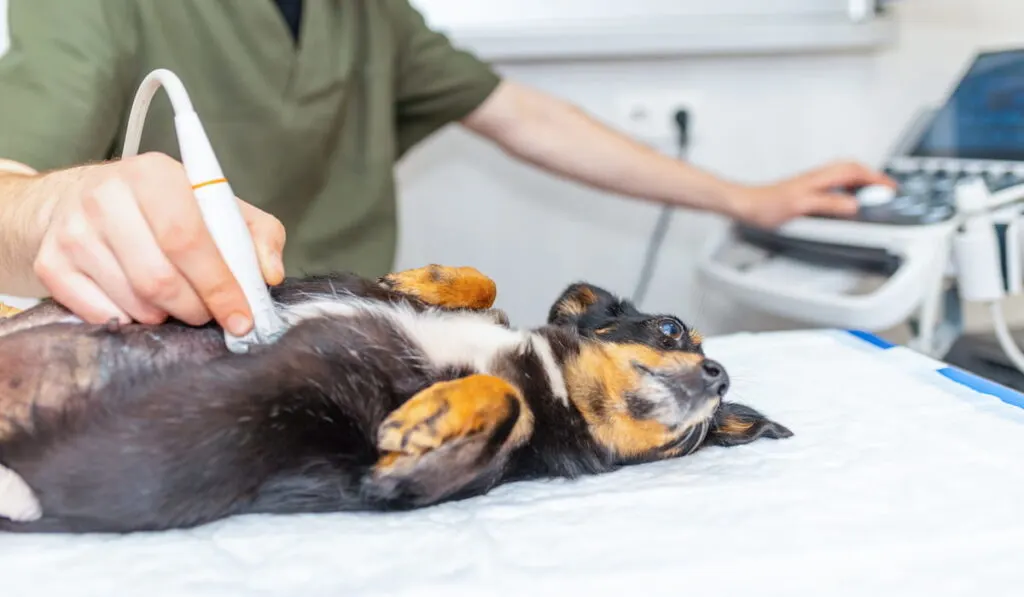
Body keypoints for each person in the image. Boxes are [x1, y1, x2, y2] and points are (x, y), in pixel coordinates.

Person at [0, 0, 895, 337]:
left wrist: (748, 198)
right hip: (183, 351)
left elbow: (526, 117)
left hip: (355, 340)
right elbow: (13, 192)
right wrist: (55, 208)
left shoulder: (369, 14)